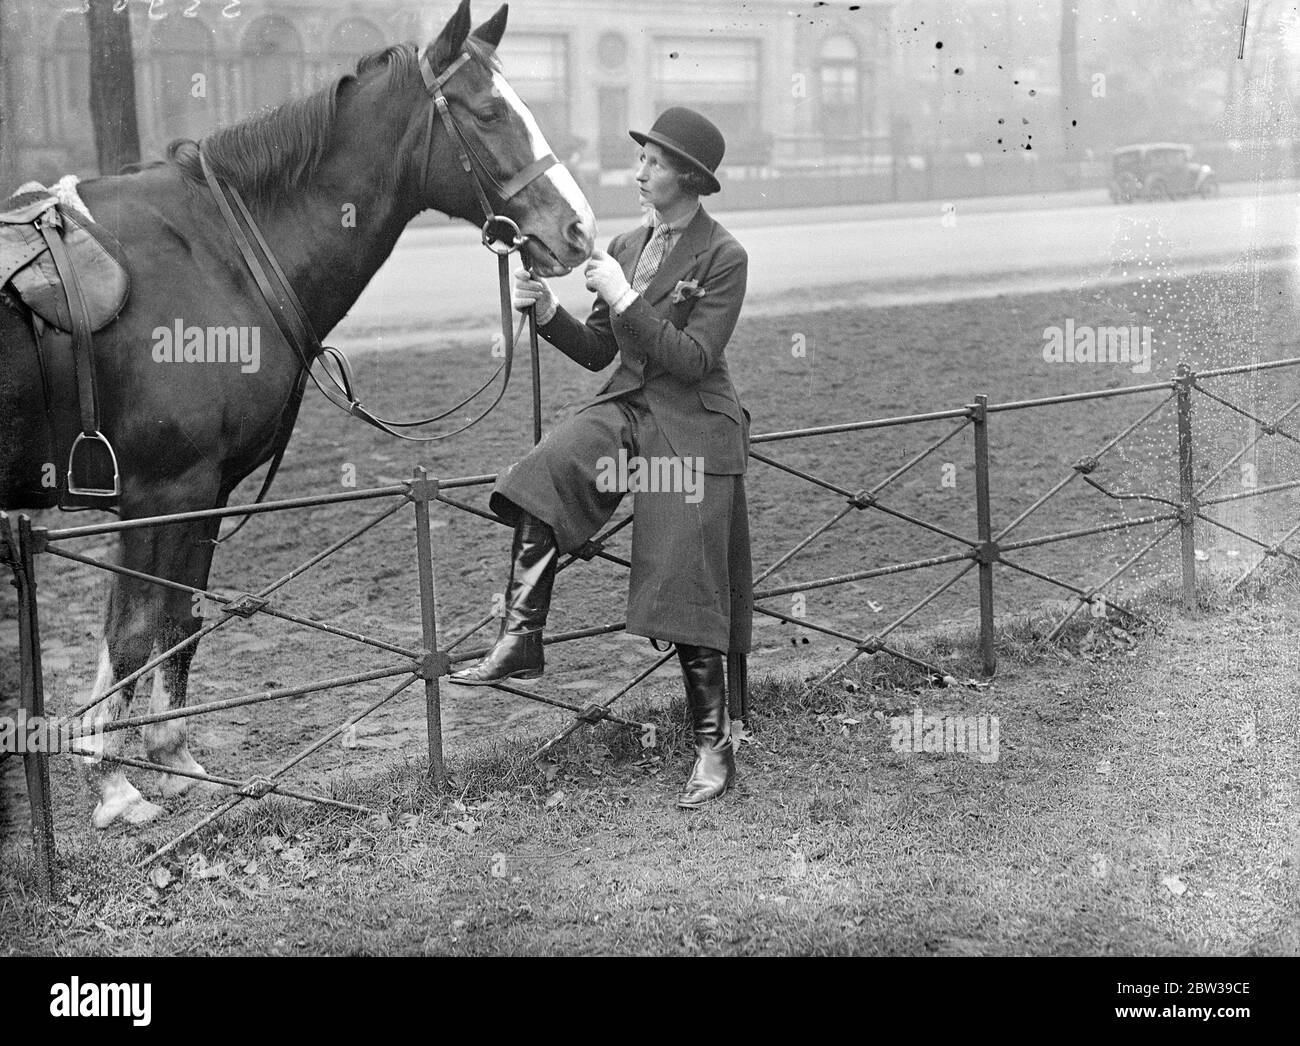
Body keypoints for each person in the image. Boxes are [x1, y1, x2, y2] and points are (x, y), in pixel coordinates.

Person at [451, 107, 752, 809]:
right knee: (546, 471)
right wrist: (546, 311)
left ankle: (713, 745)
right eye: (641, 159)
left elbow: (691, 358)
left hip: (692, 421)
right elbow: (597, 351)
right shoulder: (625, 241)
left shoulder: (723, 256)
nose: (639, 171)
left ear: (688, 176)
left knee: (682, 569)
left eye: (653, 162)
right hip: (629, 406)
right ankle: (521, 637)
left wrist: (623, 295)